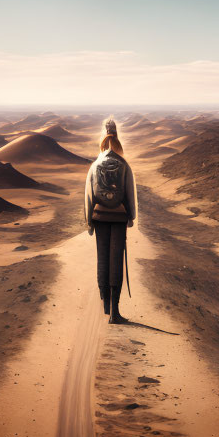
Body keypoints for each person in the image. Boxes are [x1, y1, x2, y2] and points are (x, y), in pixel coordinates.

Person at [83, 116, 137, 324]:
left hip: (99, 217)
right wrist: (131, 216)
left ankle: (105, 304)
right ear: (117, 136)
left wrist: (89, 221)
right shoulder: (124, 164)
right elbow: (130, 193)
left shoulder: (96, 164)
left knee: (102, 258)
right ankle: (115, 312)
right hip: (119, 218)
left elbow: (89, 194)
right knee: (116, 260)